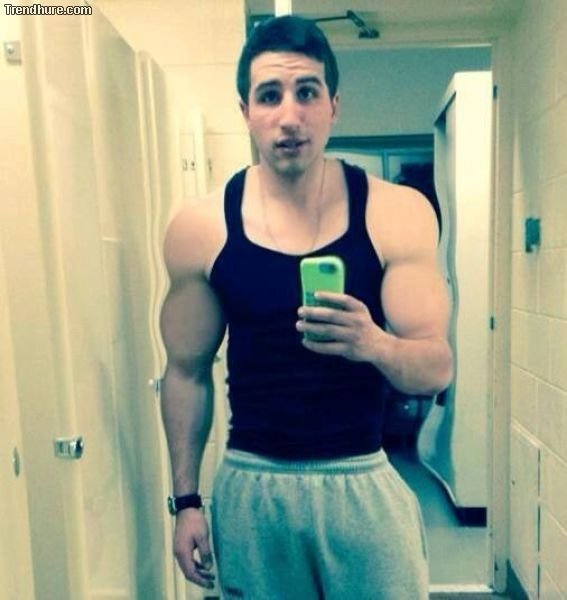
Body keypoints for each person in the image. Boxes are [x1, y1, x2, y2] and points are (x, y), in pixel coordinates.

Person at [159, 15, 453, 600]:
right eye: (270, 95)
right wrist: (187, 503)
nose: (289, 116)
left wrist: (374, 344)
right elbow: (185, 372)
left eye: (307, 92)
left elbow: (435, 368)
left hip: (362, 482)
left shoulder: (397, 213)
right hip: (253, 488)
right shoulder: (200, 227)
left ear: (333, 106)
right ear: (246, 111)